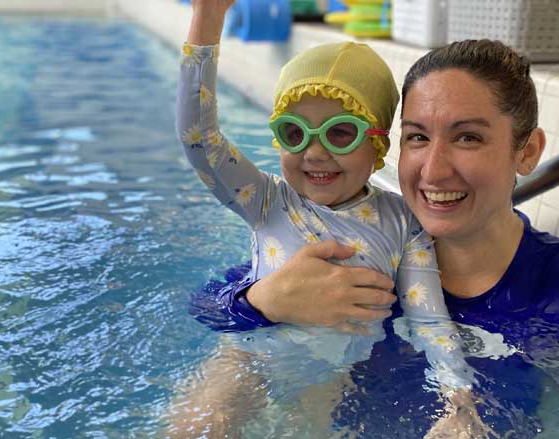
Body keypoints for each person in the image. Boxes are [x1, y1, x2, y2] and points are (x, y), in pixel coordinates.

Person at [191, 39, 559, 438]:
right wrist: (261, 302)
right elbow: (208, 307)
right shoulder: (364, 242)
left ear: (527, 152)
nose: (433, 169)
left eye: (468, 137)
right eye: (418, 137)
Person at [169, 1, 475, 436]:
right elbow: (198, 138)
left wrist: (458, 400)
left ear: (378, 144)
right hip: (246, 357)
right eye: (294, 132)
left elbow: (429, 320)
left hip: (330, 374)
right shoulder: (266, 200)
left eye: (341, 132)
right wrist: (208, 18)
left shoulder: (403, 224)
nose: (314, 152)